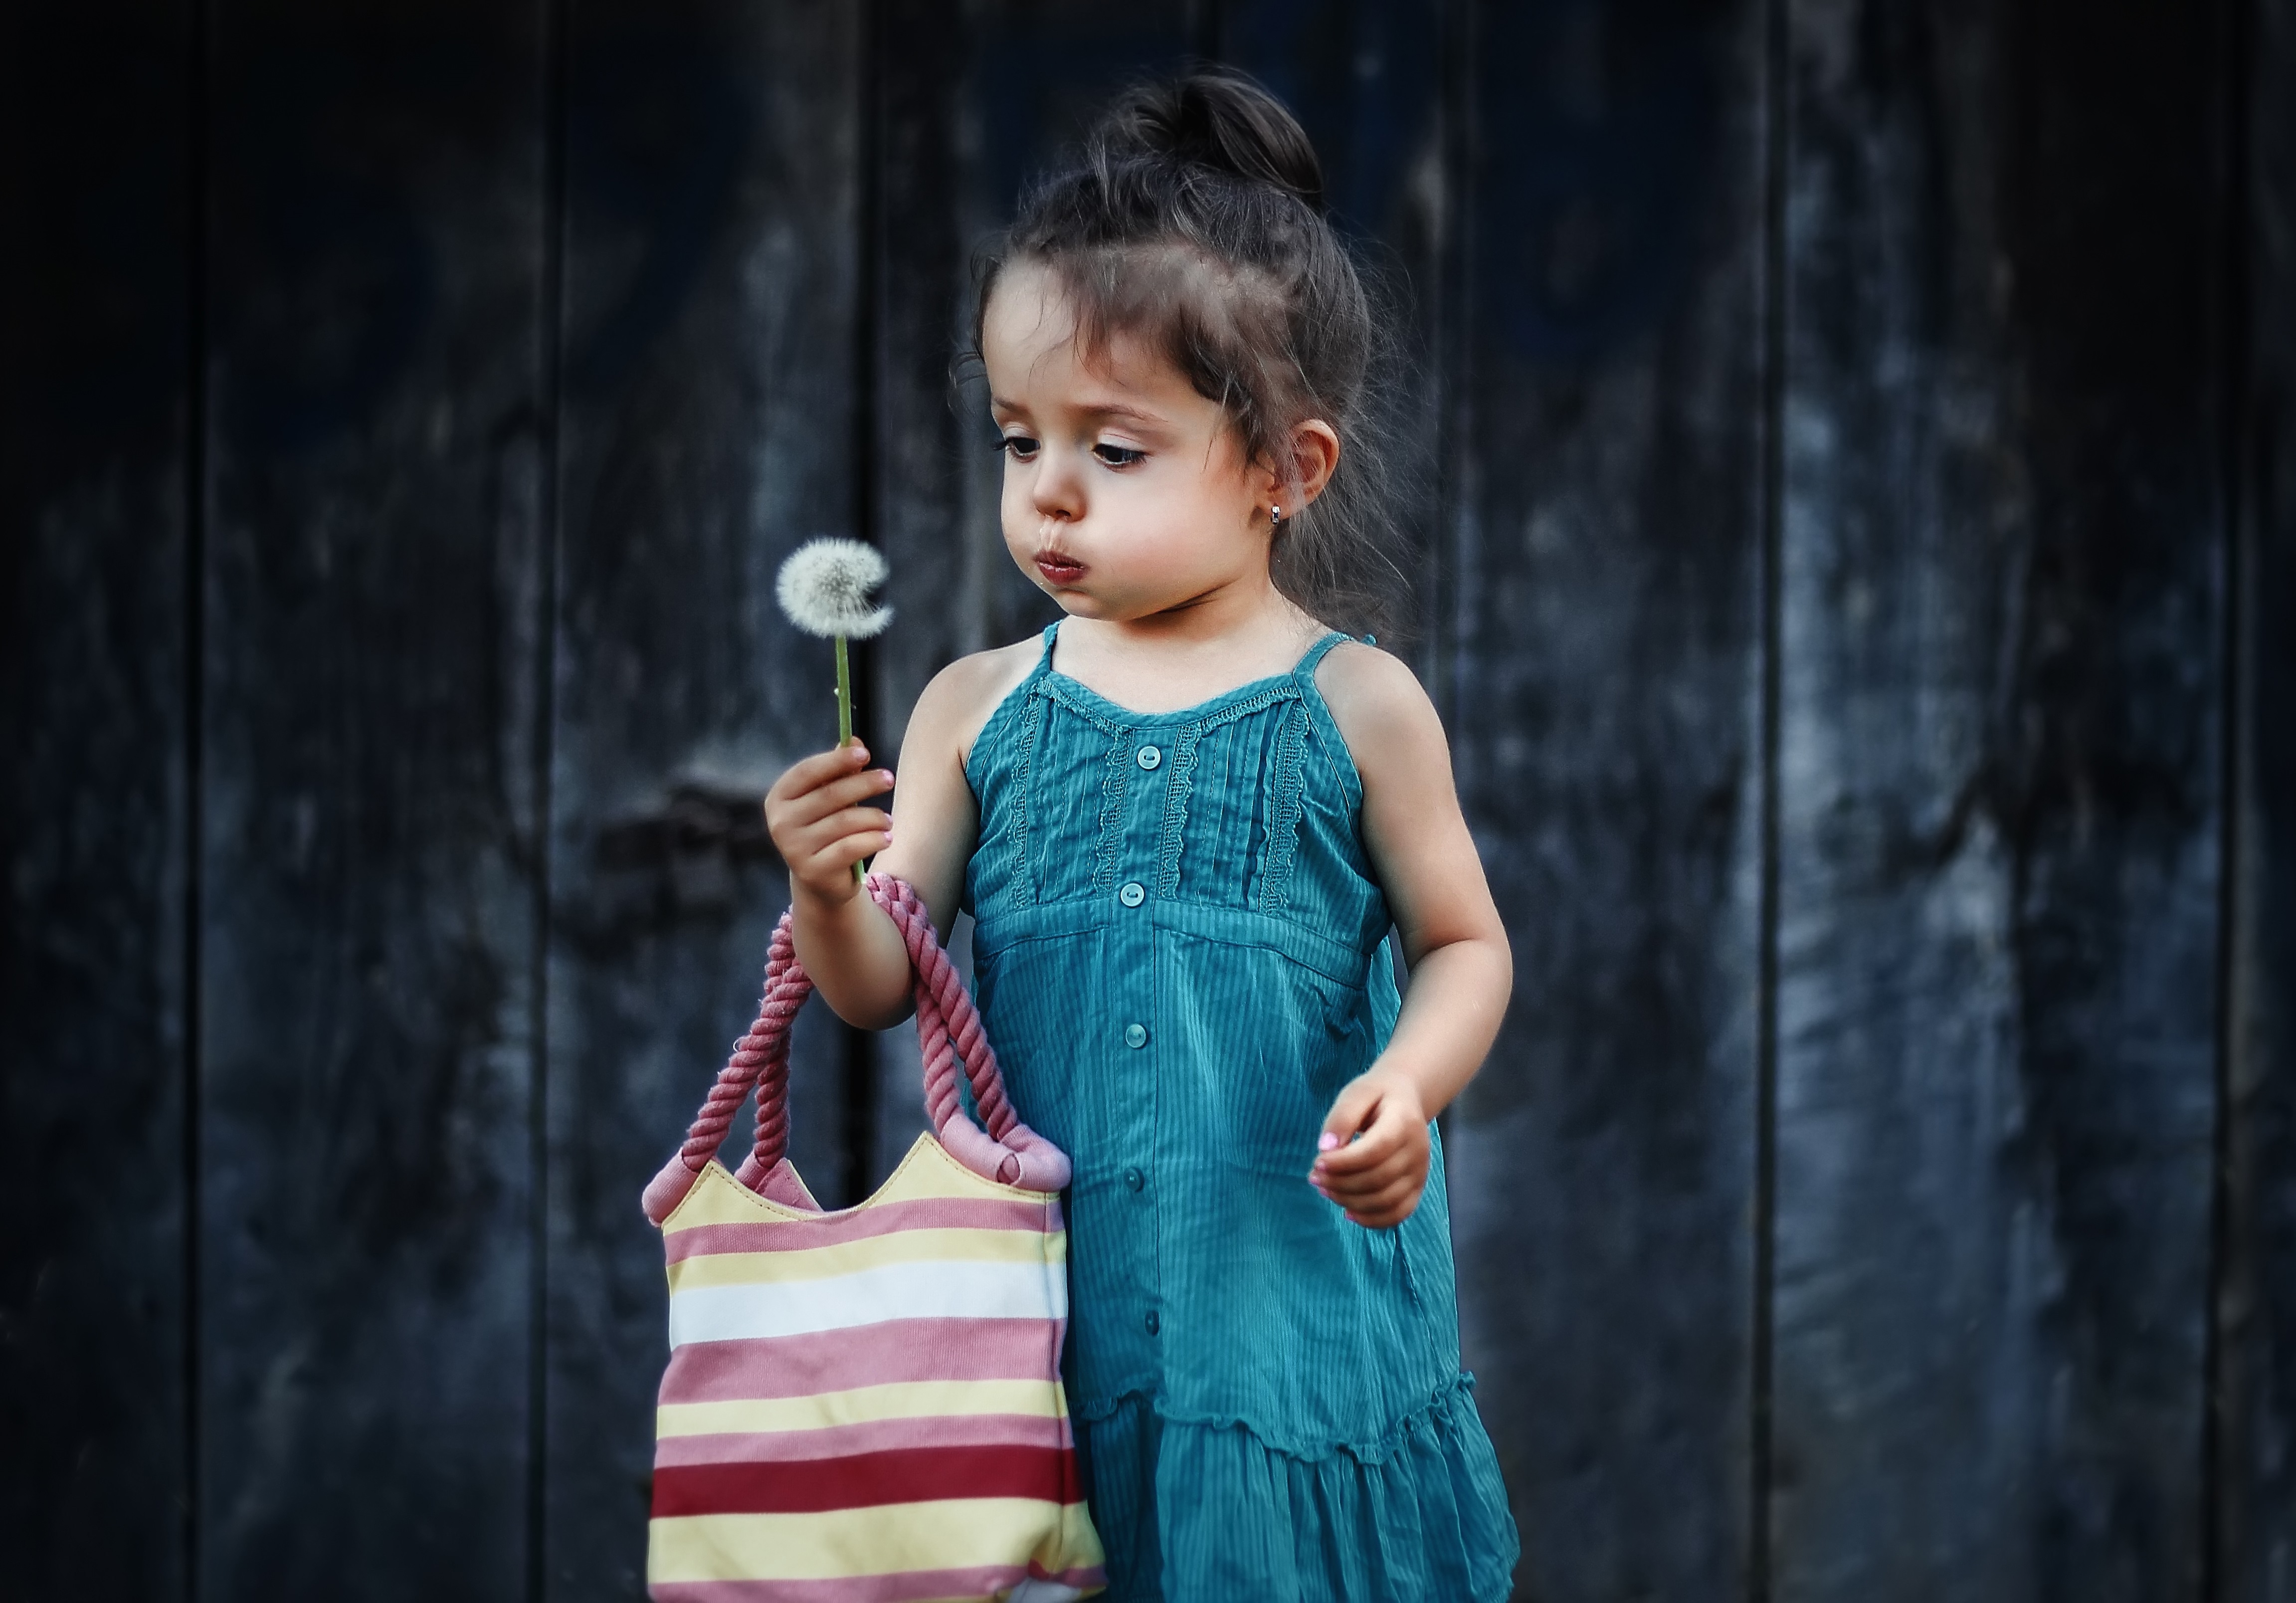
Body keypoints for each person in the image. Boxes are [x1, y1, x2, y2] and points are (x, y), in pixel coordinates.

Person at [764, 68, 1520, 1602]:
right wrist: (823, 887)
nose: (1047, 497)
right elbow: (874, 986)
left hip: (1287, 1331)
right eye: (1016, 439)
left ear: (1281, 470)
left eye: (1113, 452)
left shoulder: (1356, 705)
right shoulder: (973, 710)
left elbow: (1465, 943)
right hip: (1040, 1343)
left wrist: (1407, 1083)